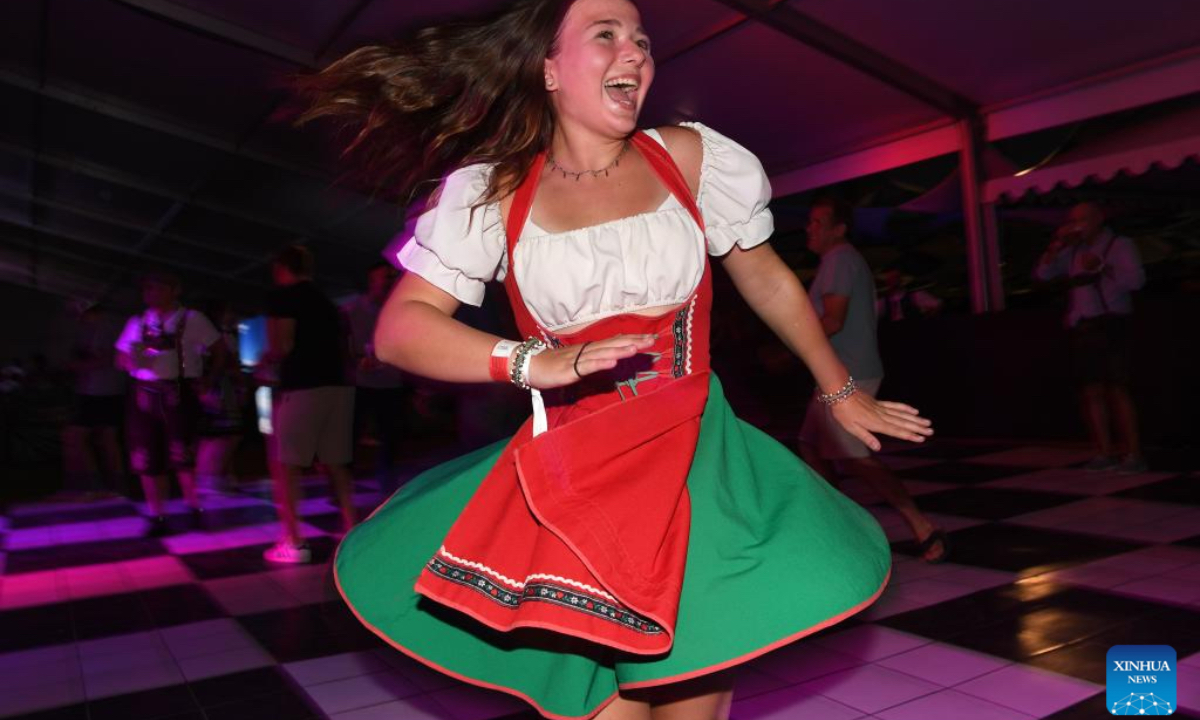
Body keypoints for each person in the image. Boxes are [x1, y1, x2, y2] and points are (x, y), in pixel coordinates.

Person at [297, 1, 932, 717]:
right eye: (606, 35)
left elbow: (766, 276)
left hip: (695, 463)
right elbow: (403, 329)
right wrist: (534, 361)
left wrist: (839, 388)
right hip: (572, 476)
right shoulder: (492, 191)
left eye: (642, 40)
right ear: (548, 69)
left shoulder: (690, 156)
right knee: (602, 705)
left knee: (694, 690)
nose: (634, 52)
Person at [798, 198, 948, 564]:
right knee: (811, 446)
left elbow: (832, 320)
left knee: (854, 458)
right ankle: (840, 527)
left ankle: (921, 526)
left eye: (818, 222)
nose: (809, 229)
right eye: (810, 222)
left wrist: (792, 348)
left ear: (839, 228)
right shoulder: (839, 262)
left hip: (849, 375)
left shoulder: (839, 261)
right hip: (840, 371)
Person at [262, 245, 357, 564]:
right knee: (336, 463)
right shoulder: (327, 303)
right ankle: (351, 529)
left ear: (280, 268)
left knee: (286, 467)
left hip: (302, 387)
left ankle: (294, 541)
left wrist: (267, 359)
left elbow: (283, 346)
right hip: (337, 386)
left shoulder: (283, 298)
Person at [1034, 202, 1146, 472]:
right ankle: (1104, 453)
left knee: (1119, 390)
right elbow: (1042, 274)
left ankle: (1133, 454)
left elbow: (1137, 282)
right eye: (1073, 220)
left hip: (1112, 324)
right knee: (1092, 391)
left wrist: (1103, 267)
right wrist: (1055, 245)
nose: (1078, 225)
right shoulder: (1073, 250)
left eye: (1082, 220)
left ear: (1098, 219)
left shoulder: (1120, 245)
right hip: (1084, 328)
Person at [116, 272, 225, 535]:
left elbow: (220, 349)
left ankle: (194, 508)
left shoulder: (192, 319)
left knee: (183, 453)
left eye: (158, 287)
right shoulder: (138, 321)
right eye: (148, 288)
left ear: (175, 290)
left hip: (179, 391)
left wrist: (209, 378)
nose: (151, 293)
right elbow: (119, 356)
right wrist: (132, 361)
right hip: (144, 393)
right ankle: (158, 516)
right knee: (146, 456)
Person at [342, 262, 407, 495]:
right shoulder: (352, 310)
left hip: (390, 383)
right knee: (351, 435)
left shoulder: (396, 308)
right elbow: (346, 346)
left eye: (390, 277)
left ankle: (388, 490)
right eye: (383, 278)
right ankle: (343, 488)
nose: (387, 281)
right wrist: (357, 362)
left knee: (390, 438)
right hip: (362, 383)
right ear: (371, 281)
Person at [62, 304, 127, 500]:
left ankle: (95, 486)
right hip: (95, 392)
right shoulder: (89, 330)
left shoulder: (106, 328)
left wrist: (77, 366)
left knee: (79, 437)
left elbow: (110, 359)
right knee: (102, 439)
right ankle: (107, 487)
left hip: (102, 392)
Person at [194, 299, 247, 498]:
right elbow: (230, 363)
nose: (231, 316)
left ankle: (212, 477)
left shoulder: (217, 335)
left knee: (218, 434)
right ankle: (210, 478)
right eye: (228, 312)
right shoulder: (218, 336)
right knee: (223, 434)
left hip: (217, 386)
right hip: (219, 386)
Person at [877, 268, 942, 322]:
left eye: (895, 279)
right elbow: (874, 313)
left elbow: (936, 305)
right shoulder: (883, 301)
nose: (892, 282)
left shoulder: (915, 295)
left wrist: (927, 315)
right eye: (889, 280)